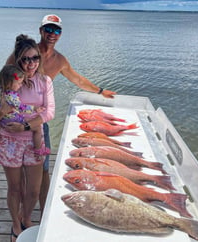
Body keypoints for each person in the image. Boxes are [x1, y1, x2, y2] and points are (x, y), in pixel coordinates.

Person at [6, 14, 117, 216]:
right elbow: (4, 83)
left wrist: (100, 91)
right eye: (48, 29)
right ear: (40, 31)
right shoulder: (23, 53)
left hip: (39, 123)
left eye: (56, 30)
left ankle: (44, 212)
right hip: (15, 121)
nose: (52, 34)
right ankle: (19, 217)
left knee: (43, 170)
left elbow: (77, 79)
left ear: (60, 34)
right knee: (20, 173)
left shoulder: (60, 60)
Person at [0, 35, 55, 242]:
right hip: (10, 143)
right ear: (18, 60)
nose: (31, 63)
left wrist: (26, 125)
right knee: (15, 187)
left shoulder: (45, 81)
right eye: (25, 59)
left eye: (35, 58)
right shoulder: (9, 82)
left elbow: (49, 112)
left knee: (34, 189)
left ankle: (26, 217)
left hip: (33, 140)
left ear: (39, 59)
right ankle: (16, 224)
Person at [0, 64, 51, 157]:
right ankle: (39, 149)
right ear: (9, 83)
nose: (20, 85)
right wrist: (35, 108)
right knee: (37, 128)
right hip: (14, 119)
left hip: (3, 122)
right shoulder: (11, 96)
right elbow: (21, 107)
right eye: (19, 83)